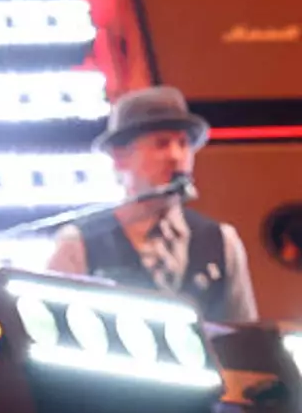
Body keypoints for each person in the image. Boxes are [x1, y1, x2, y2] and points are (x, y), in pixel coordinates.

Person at [49, 85, 257, 322]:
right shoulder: (78, 243)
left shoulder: (222, 241)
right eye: (161, 143)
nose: (176, 156)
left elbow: (245, 335)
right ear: (120, 157)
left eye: (183, 144)